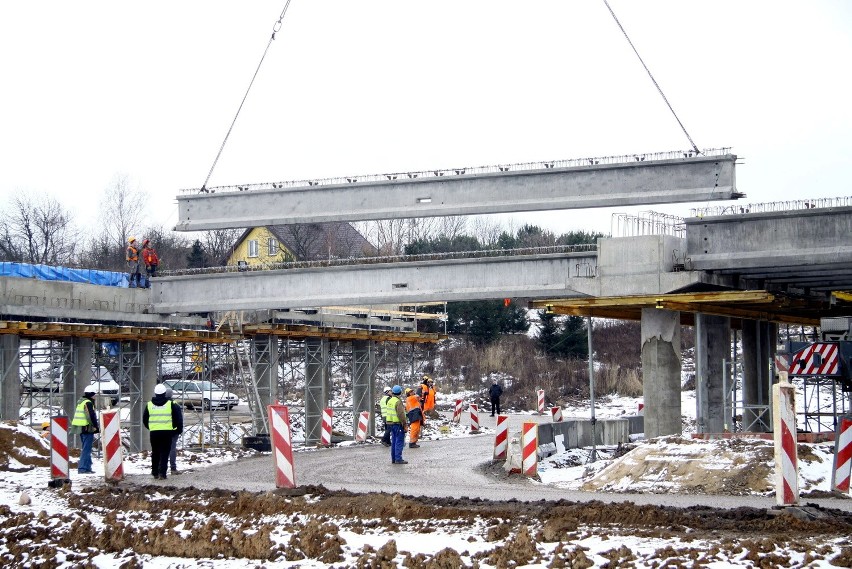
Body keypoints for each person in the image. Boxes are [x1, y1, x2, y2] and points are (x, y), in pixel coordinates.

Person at [143, 383, 183, 480]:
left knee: (155, 452)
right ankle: (162, 474)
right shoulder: (170, 404)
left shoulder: (149, 404)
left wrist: (151, 427)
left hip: (154, 432)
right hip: (167, 432)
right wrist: (178, 429)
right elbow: (177, 418)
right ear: (164, 393)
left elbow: (145, 419)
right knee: (165, 453)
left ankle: (155, 472)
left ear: (155, 393)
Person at [70, 385, 99, 474]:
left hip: (81, 428)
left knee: (86, 448)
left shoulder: (81, 402)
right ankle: (83, 468)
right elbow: (90, 416)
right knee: (86, 449)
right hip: (87, 428)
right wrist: (96, 426)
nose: (95, 396)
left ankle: (87, 467)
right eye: (94, 394)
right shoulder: (88, 403)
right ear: (92, 394)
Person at [382, 385, 408, 464]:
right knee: (399, 441)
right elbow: (401, 414)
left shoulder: (390, 400)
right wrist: (404, 423)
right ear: (400, 392)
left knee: (394, 441)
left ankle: (394, 458)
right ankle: (398, 458)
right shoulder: (397, 401)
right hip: (398, 424)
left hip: (390, 423)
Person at [165, 387, 183, 474]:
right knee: (172, 449)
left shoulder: (159, 404)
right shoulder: (174, 404)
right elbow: (179, 419)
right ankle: (173, 468)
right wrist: (179, 430)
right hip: (173, 431)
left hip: (161, 430)